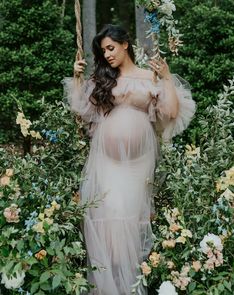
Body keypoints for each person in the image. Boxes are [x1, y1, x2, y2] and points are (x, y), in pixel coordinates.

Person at [64, 24, 196, 295]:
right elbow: (81, 111)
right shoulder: (103, 81)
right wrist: (77, 79)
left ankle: (129, 287)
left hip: (137, 165)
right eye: (103, 51)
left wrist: (167, 77)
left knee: (129, 220)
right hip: (106, 163)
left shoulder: (150, 78)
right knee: (108, 219)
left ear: (126, 44)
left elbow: (171, 112)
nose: (108, 55)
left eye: (111, 48)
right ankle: (108, 288)